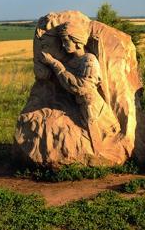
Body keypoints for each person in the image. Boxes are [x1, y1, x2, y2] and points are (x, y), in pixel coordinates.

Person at [40, 21, 123, 159]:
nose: (63, 45)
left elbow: (81, 87)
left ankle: (100, 160)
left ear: (77, 40)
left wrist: (55, 64)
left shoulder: (89, 61)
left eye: (66, 41)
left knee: (98, 146)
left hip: (94, 110)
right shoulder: (72, 62)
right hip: (79, 107)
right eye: (61, 41)